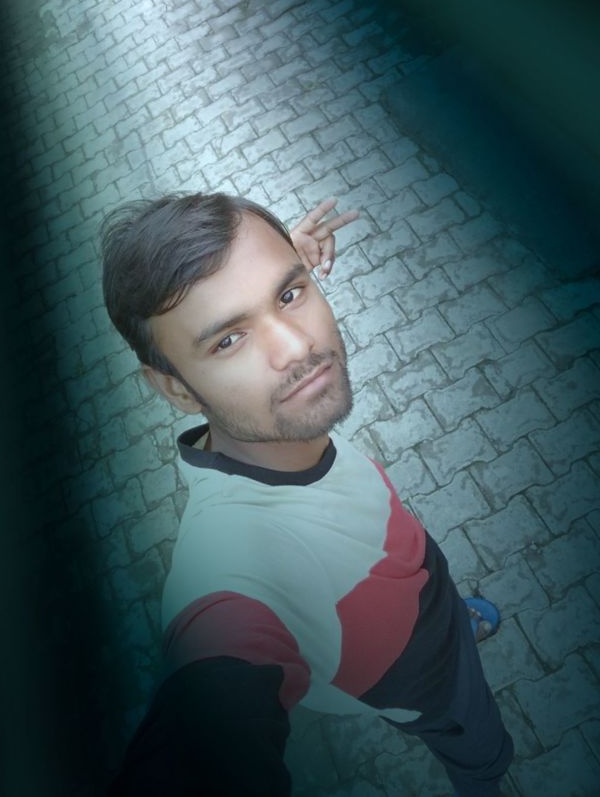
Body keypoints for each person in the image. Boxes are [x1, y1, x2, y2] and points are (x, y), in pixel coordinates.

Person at [101, 193, 513, 796]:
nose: (295, 347)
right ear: (176, 389)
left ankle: (455, 619)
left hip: (420, 590)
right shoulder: (231, 571)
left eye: (290, 294)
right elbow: (206, 717)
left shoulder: (270, 428)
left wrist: (274, 272)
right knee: (477, 742)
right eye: (228, 341)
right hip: (422, 679)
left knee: (439, 599)